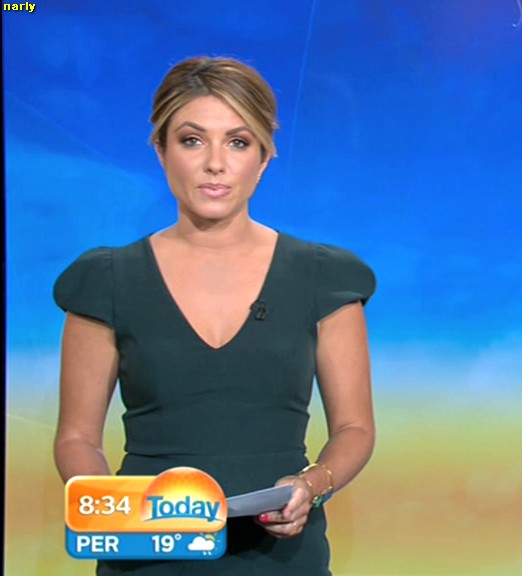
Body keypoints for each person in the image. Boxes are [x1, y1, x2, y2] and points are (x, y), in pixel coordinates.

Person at [53, 56, 376, 575]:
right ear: (161, 150)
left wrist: (311, 486)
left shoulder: (324, 278)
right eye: (192, 140)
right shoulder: (106, 280)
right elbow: (77, 438)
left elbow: (355, 428)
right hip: (147, 556)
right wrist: (118, 510)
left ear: (264, 158)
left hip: (281, 558)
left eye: (238, 142)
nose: (215, 164)